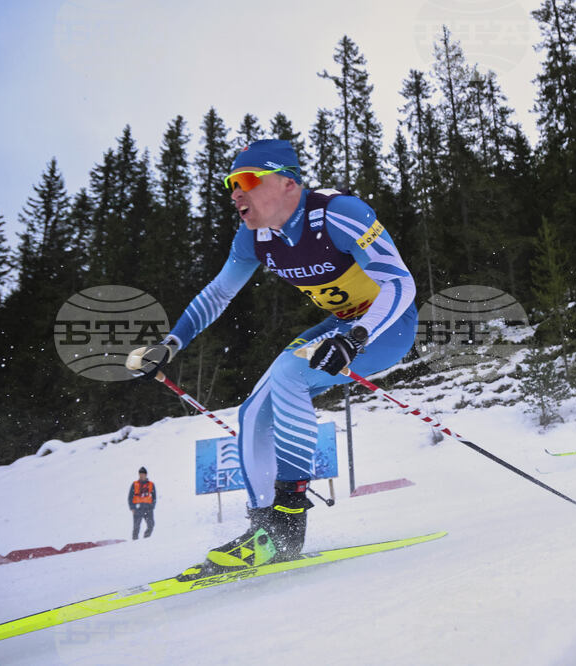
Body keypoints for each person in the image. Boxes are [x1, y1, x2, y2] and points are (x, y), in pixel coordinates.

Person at [127, 140, 417, 572]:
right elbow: (219, 293)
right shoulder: (254, 237)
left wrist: (356, 338)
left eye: (246, 180)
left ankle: (288, 520)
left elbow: (399, 283)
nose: (235, 193)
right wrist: (171, 343)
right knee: (254, 413)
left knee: (288, 374)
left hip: (386, 324)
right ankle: (265, 529)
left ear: (288, 183)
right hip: (342, 324)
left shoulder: (338, 214)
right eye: (231, 184)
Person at [129, 467, 156, 539]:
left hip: (148, 509)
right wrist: (132, 508)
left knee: (151, 525)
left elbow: (154, 496)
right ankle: (135, 541)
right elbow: (130, 497)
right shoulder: (135, 484)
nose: (141, 475)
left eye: (142, 474)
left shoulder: (151, 484)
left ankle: (145, 539)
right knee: (136, 527)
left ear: (146, 475)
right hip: (138, 509)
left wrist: (152, 506)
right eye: (140, 474)